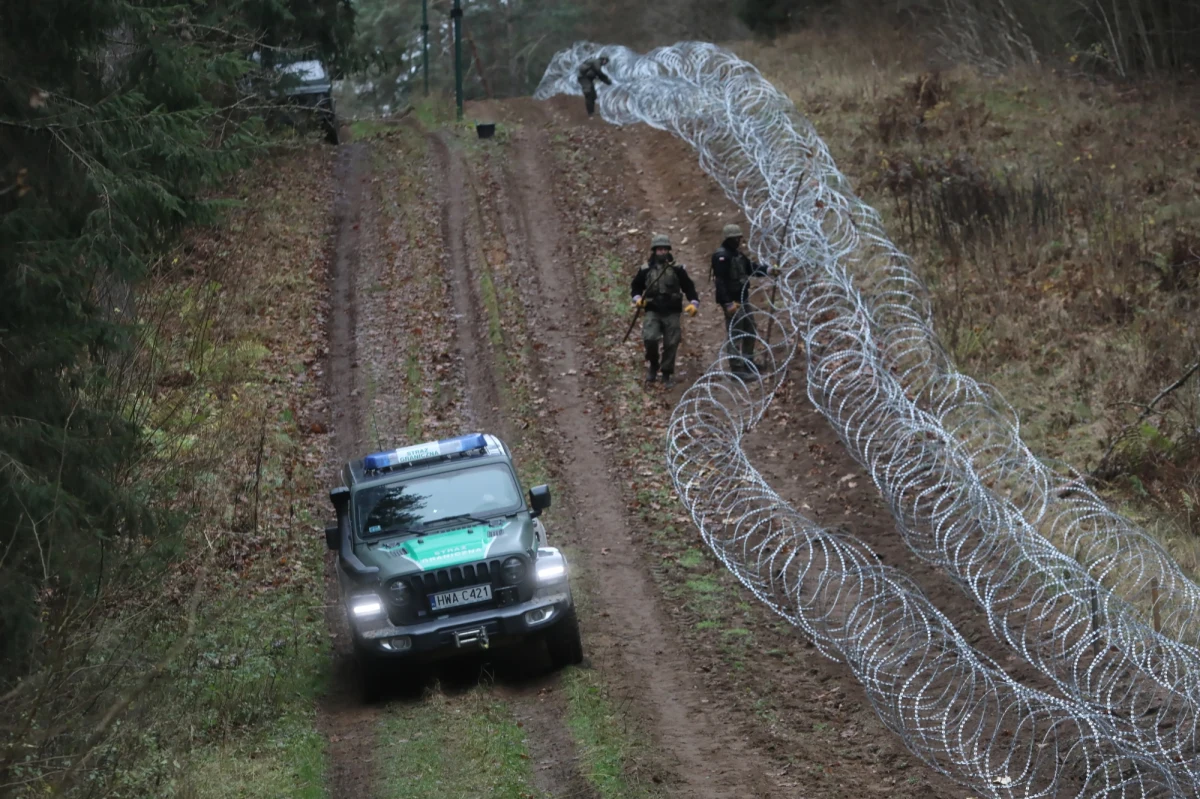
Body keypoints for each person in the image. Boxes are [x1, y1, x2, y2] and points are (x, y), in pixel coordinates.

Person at [631, 234, 698, 389]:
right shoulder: (645, 269)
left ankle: (667, 372)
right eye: (659, 250)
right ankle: (654, 364)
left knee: (672, 342)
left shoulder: (677, 269)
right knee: (650, 338)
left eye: (664, 249)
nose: (662, 252)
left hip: (672, 311)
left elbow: (688, 287)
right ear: (654, 251)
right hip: (652, 310)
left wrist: (694, 302)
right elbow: (635, 287)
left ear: (668, 250)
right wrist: (637, 299)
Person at [711, 223, 778, 378]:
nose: (737, 241)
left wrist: (769, 270)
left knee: (750, 328)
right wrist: (727, 303)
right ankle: (736, 368)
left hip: (743, 297)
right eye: (734, 238)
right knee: (736, 332)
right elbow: (719, 282)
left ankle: (748, 361)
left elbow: (752, 268)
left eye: (738, 238)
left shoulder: (737, 255)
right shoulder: (722, 257)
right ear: (728, 239)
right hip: (732, 300)